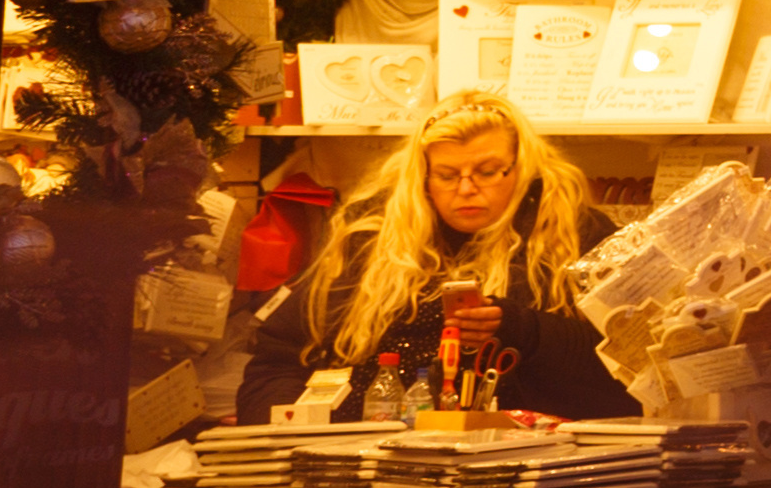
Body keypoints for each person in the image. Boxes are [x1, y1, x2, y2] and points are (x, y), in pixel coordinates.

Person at [255, 94, 626, 422]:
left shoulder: (575, 235)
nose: (466, 188)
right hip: (357, 459)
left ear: (523, 169)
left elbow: (627, 368)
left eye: (487, 172)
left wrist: (525, 331)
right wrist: (279, 434)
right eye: (447, 175)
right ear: (423, 179)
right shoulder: (370, 240)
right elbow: (279, 357)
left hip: (522, 460)